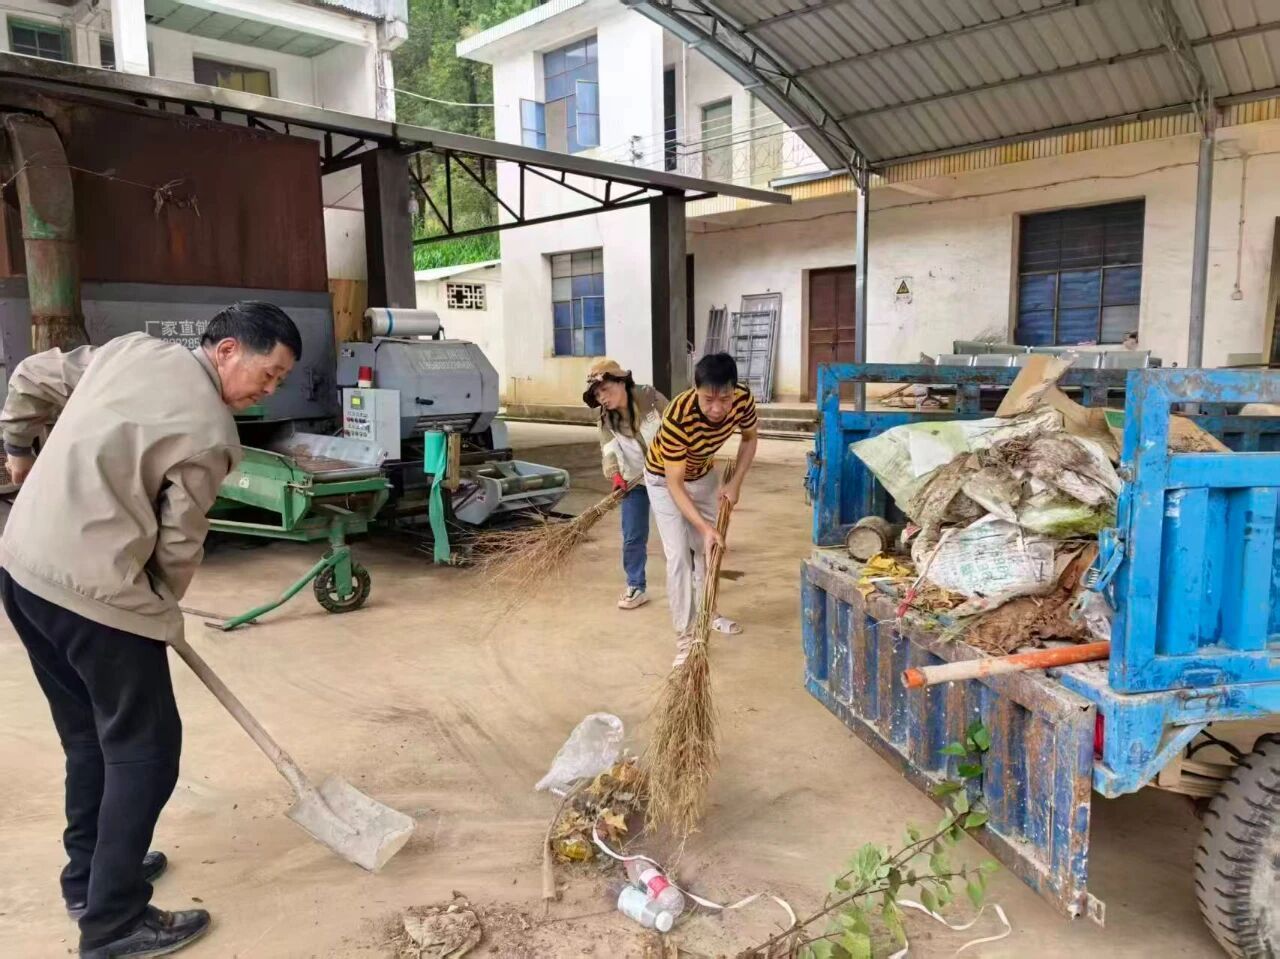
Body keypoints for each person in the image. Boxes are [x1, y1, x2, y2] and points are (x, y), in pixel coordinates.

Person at [0, 302, 301, 959]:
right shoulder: (212, 432)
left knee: (89, 735)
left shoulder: (128, 350)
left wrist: (18, 451)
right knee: (148, 748)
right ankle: (113, 922)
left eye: (280, 381)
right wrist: (156, 612)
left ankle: (89, 878)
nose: (269, 390)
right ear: (227, 350)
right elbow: (177, 548)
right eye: (269, 373)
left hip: (21, 570)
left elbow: (28, 375)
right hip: (92, 596)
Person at [644, 352, 759, 665]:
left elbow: (750, 438)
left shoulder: (744, 400)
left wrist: (735, 483)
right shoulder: (678, 416)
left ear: (734, 390)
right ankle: (685, 639)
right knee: (680, 555)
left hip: (703, 473)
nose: (717, 408)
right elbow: (675, 484)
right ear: (695, 390)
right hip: (663, 480)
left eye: (725, 399)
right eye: (708, 399)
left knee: (709, 549)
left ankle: (709, 613)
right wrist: (704, 527)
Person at [583, 359, 667, 609]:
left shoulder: (650, 398)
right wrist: (616, 475)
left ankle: (692, 579)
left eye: (604, 389)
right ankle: (636, 586)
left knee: (677, 532)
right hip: (635, 481)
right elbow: (609, 449)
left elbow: (676, 425)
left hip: (666, 477)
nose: (602, 398)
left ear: (621, 382)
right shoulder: (606, 419)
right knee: (632, 536)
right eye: (597, 395)